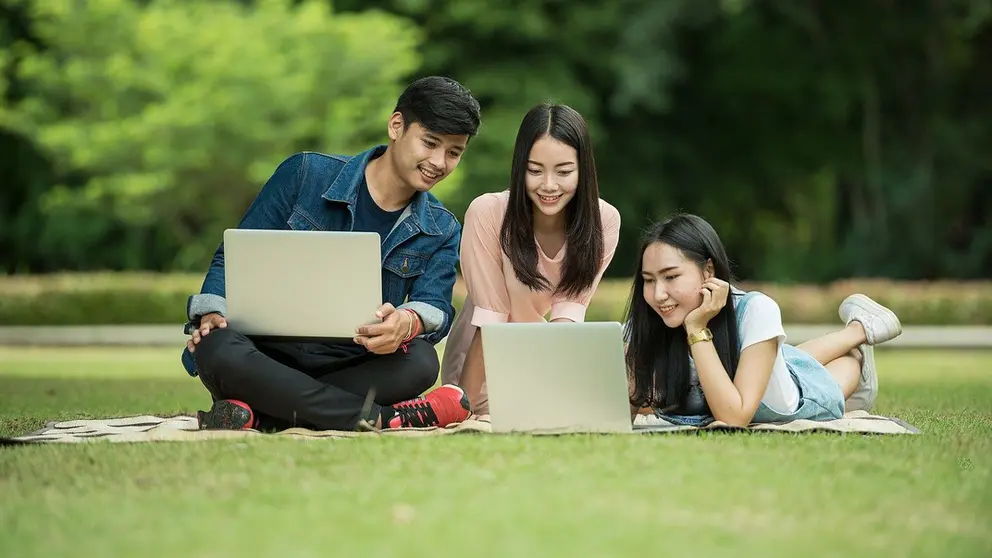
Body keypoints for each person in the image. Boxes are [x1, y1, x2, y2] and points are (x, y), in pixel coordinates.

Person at [179, 76, 482, 432]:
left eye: (453, 152)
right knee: (216, 346)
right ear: (396, 125)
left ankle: (260, 413)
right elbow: (231, 258)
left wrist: (407, 323)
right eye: (430, 143)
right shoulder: (304, 173)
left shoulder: (442, 227)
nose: (439, 161)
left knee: (420, 361)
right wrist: (213, 312)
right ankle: (382, 418)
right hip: (264, 353)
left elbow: (435, 306)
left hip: (354, 362)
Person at [623, 213, 903, 427]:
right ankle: (858, 328)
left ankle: (858, 337)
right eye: (649, 280)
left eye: (671, 277)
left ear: (708, 270)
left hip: (796, 396)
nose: (658, 294)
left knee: (840, 366)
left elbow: (734, 418)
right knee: (784, 357)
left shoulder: (757, 310)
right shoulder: (649, 320)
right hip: (769, 363)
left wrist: (697, 329)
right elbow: (629, 406)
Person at [440, 102, 622, 415]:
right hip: (478, 357)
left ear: (584, 170)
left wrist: (559, 389)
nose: (548, 185)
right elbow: (489, 321)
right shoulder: (488, 213)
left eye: (564, 172)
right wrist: (465, 409)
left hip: (541, 351)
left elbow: (568, 318)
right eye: (534, 170)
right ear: (519, 166)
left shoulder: (604, 221)